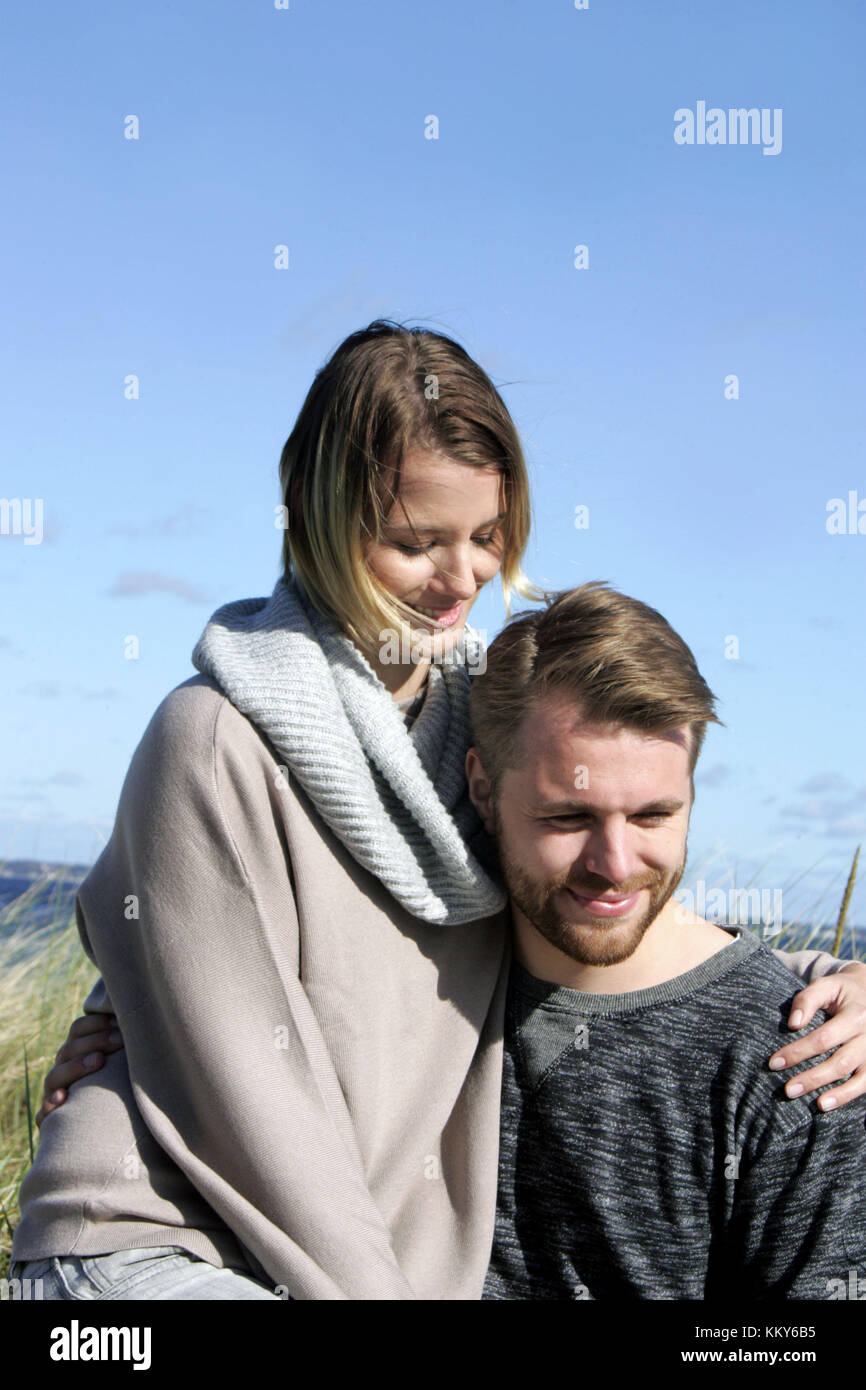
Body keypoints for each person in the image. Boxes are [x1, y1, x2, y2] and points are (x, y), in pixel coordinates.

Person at [10, 322, 866, 1302]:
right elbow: (255, 1105)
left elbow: (599, 882)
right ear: (324, 520)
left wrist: (817, 981)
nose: (462, 578)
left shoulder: (475, 705)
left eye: (487, 537)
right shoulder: (214, 741)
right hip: (162, 1244)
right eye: (417, 542)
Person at [464, 584, 866, 1299]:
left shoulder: (801, 1065)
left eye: (653, 815)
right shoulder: (415, 979)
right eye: (566, 817)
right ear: (482, 787)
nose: (615, 866)